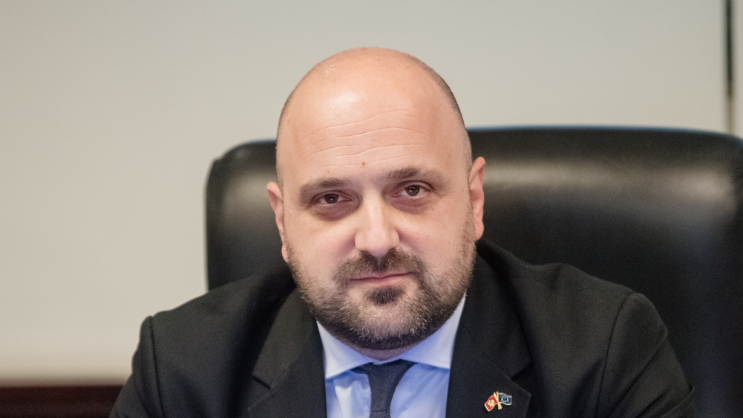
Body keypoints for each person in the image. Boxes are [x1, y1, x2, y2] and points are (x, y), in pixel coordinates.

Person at [111, 48, 695, 418]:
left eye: (411, 190)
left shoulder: (603, 352)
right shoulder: (183, 372)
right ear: (283, 222)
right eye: (331, 199)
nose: (376, 239)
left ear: (473, 200)